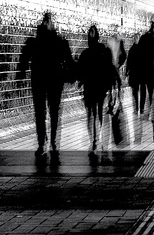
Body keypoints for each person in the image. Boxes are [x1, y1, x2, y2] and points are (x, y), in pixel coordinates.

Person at [16, 12, 75, 159]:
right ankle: (51, 142)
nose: (49, 23)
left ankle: (43, 143)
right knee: (53, 112)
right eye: (49, 21)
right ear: (51, 24)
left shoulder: (35, 42)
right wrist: (74, 75)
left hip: (39, 81)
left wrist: (20, 74)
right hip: (54, 82)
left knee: (40, 113)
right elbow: (69, 61)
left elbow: (24, 58)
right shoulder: (59, 41)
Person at [76, 24, 120, 155]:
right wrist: (113, 86)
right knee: (97, 113)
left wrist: (80, 82)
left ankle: (94, 141)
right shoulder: (103, 51)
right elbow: (110, 68)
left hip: (91, 87)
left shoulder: (85, 53)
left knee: (91, 114)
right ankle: (96, 139)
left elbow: (80, 72)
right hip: (99, 87)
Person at [135, 21, 154, 116]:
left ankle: (141, 108)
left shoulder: (143, 38)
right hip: (151, 67)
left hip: (142, 67)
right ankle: (149, 108)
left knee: (142, 89)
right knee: (150, 89)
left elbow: (139, 52)